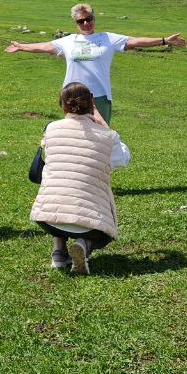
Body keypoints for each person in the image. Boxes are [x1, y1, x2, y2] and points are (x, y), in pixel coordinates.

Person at [4, 2, 187, 124]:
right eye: (81, 21)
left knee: (101, 135)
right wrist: (21, 46)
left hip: (99, 96)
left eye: (88, 19)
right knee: (73, 136)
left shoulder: (108, 38)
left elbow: (135, 41)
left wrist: (164, 40)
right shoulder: (68, 41)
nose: (86, 23)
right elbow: (44, 46)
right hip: (71, 95)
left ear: (94, 18)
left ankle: (102, 178)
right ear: (76, 23)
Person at [31, 82, 130, 275]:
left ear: (62, 105)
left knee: (62, 191)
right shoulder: (108, 136)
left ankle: (58, 253)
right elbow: (122, 159)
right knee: (103, 232)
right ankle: (83, 244)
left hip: (47, 217)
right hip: (89, 224)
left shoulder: (51, 129)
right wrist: (102, 122)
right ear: (92, 103)